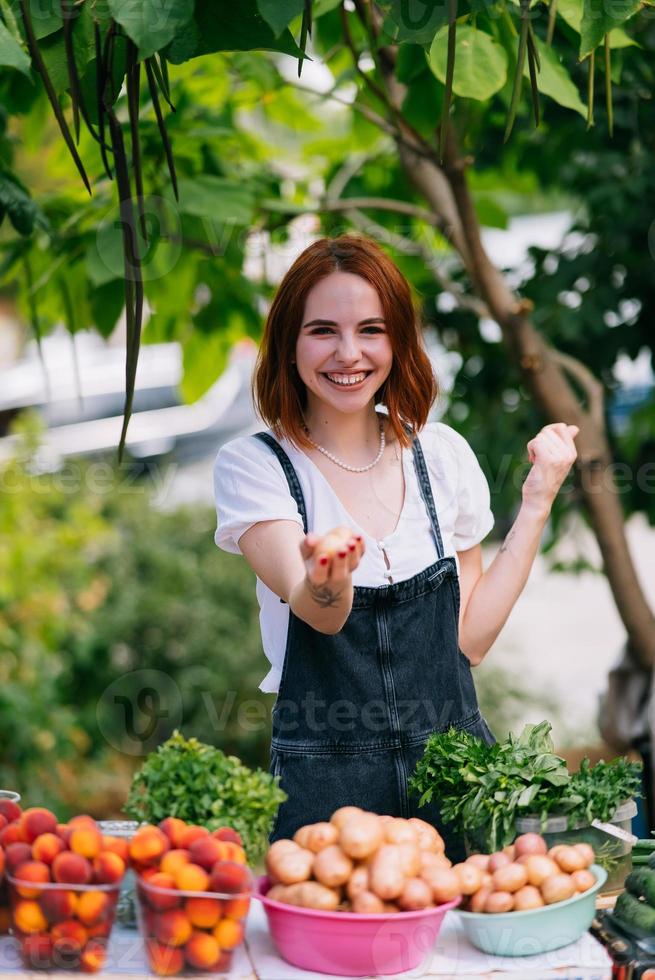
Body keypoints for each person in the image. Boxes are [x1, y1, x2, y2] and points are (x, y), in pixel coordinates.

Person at [213, 235, 578, 860]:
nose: (348, 354)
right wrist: (327, 574)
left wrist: (539, 497)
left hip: (459, 779)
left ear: (398, 341)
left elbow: (470, 642)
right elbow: (319, 613)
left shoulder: (442, 456)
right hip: (330, 798)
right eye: (322, 330)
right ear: (289, 345)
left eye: (371, 330)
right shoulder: (257, 467)